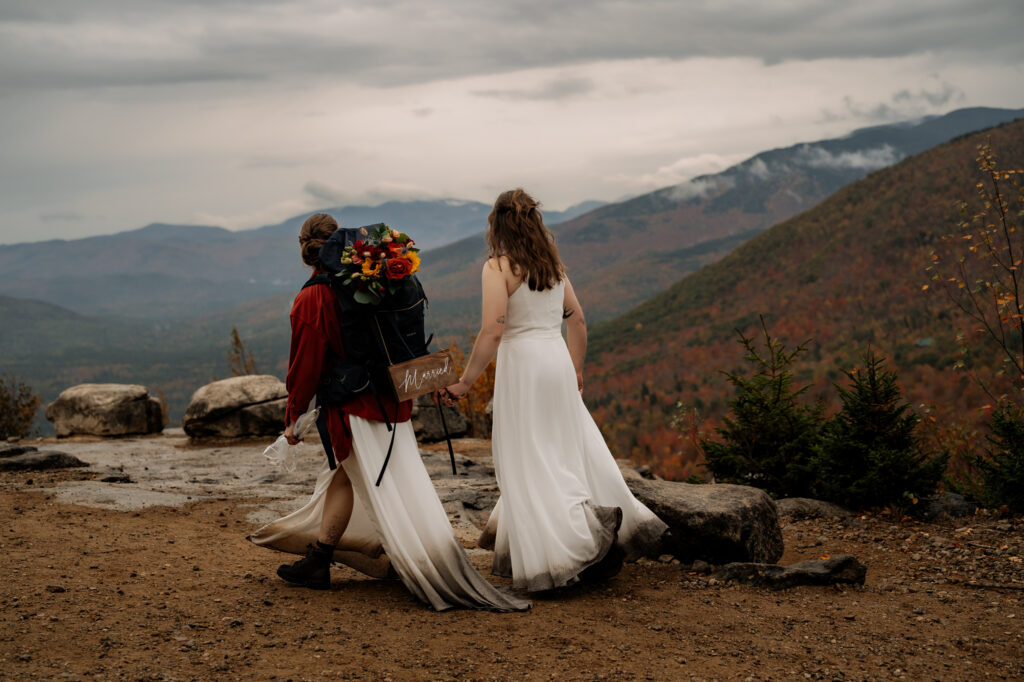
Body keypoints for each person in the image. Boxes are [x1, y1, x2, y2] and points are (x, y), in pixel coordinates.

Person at [249, 213, 529, 612]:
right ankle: (320, 559)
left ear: (304, 249)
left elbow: (305, 365)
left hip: (352, 404)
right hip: (392, 397)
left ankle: (410, 557)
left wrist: (294, 416)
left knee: (363, 479)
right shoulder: (379, 283)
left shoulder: (313, 297)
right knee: (343, 476)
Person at [444, 189, 668, 591]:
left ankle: (580, 542)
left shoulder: (497, 267)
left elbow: (493, 329)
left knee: (530, 455)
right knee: (564, 448)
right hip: (557, 362)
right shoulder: (553, 266)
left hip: (524, 367)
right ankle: (559, 535)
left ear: (497, 225)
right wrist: (576, 370)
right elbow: (578, 321)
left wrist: (465, 382)